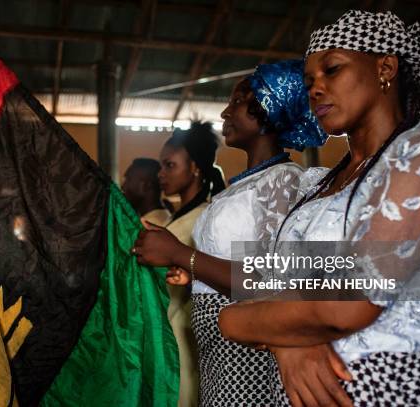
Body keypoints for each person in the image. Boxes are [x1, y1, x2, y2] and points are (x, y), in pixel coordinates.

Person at [217, 10, 420, 406]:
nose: (316, 89)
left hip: (389, 390)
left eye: (332, 70)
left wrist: (239, 321)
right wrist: (286, 342)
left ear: (385, 68)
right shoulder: (318, 183)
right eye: (309, 82)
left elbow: (351, 305)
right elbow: (266, 281)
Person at [133, 60, 331, 405]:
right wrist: (193, 272)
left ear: (267, 109)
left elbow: (272, 280)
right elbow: (234, 264)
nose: (225, 112)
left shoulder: (282, 183)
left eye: (237, 101)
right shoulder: (244, 186)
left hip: (248, 352)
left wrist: (181, 254)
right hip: (217, 347)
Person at [156, 121, 225, 407]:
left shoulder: (206, 219)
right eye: (161, 166)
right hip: (165, 338)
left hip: (186, 343)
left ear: (195, 167)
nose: (161, 174)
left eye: (169, 166)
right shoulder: (174, 219)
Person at [122, 158, 171, 225]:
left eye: (128, 179)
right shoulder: (161, 218)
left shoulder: (151, 227)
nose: (123, 186)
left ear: (145, 186)